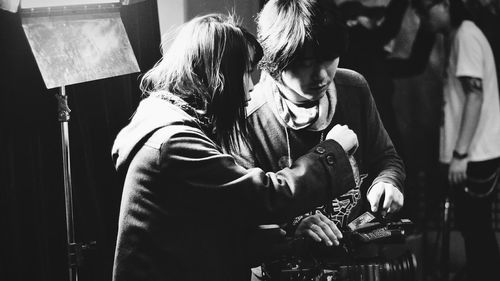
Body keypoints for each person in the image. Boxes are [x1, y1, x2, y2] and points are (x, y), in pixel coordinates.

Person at [111, 13, 361, 281]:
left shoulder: (168, 126)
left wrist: (289, 236)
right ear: (221, 77)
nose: (252, 87)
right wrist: (333, 150)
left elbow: (214, 231)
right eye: (245, 73)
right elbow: (267, 198)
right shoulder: (174, 143)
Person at [232, 0, 406, 254]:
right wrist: (294, 227)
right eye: (307, 63)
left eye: (329, 58)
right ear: (276, 61)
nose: (323, 75)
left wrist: (388, 182)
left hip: (353, 258)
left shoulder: (354, 88)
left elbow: (387, 158)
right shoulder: (249, 115)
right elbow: (247, 214)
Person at [414, 0, 500, 280]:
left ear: (445, 5)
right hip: (470, 155)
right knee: (473, 228)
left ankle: (483, 272)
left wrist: (460, 155)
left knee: (477, 228)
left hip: (474, 156)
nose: (424, 18)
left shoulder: (466, 35)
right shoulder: (461, 35)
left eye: (426, 10)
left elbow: (475, 95)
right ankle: (478, 270)